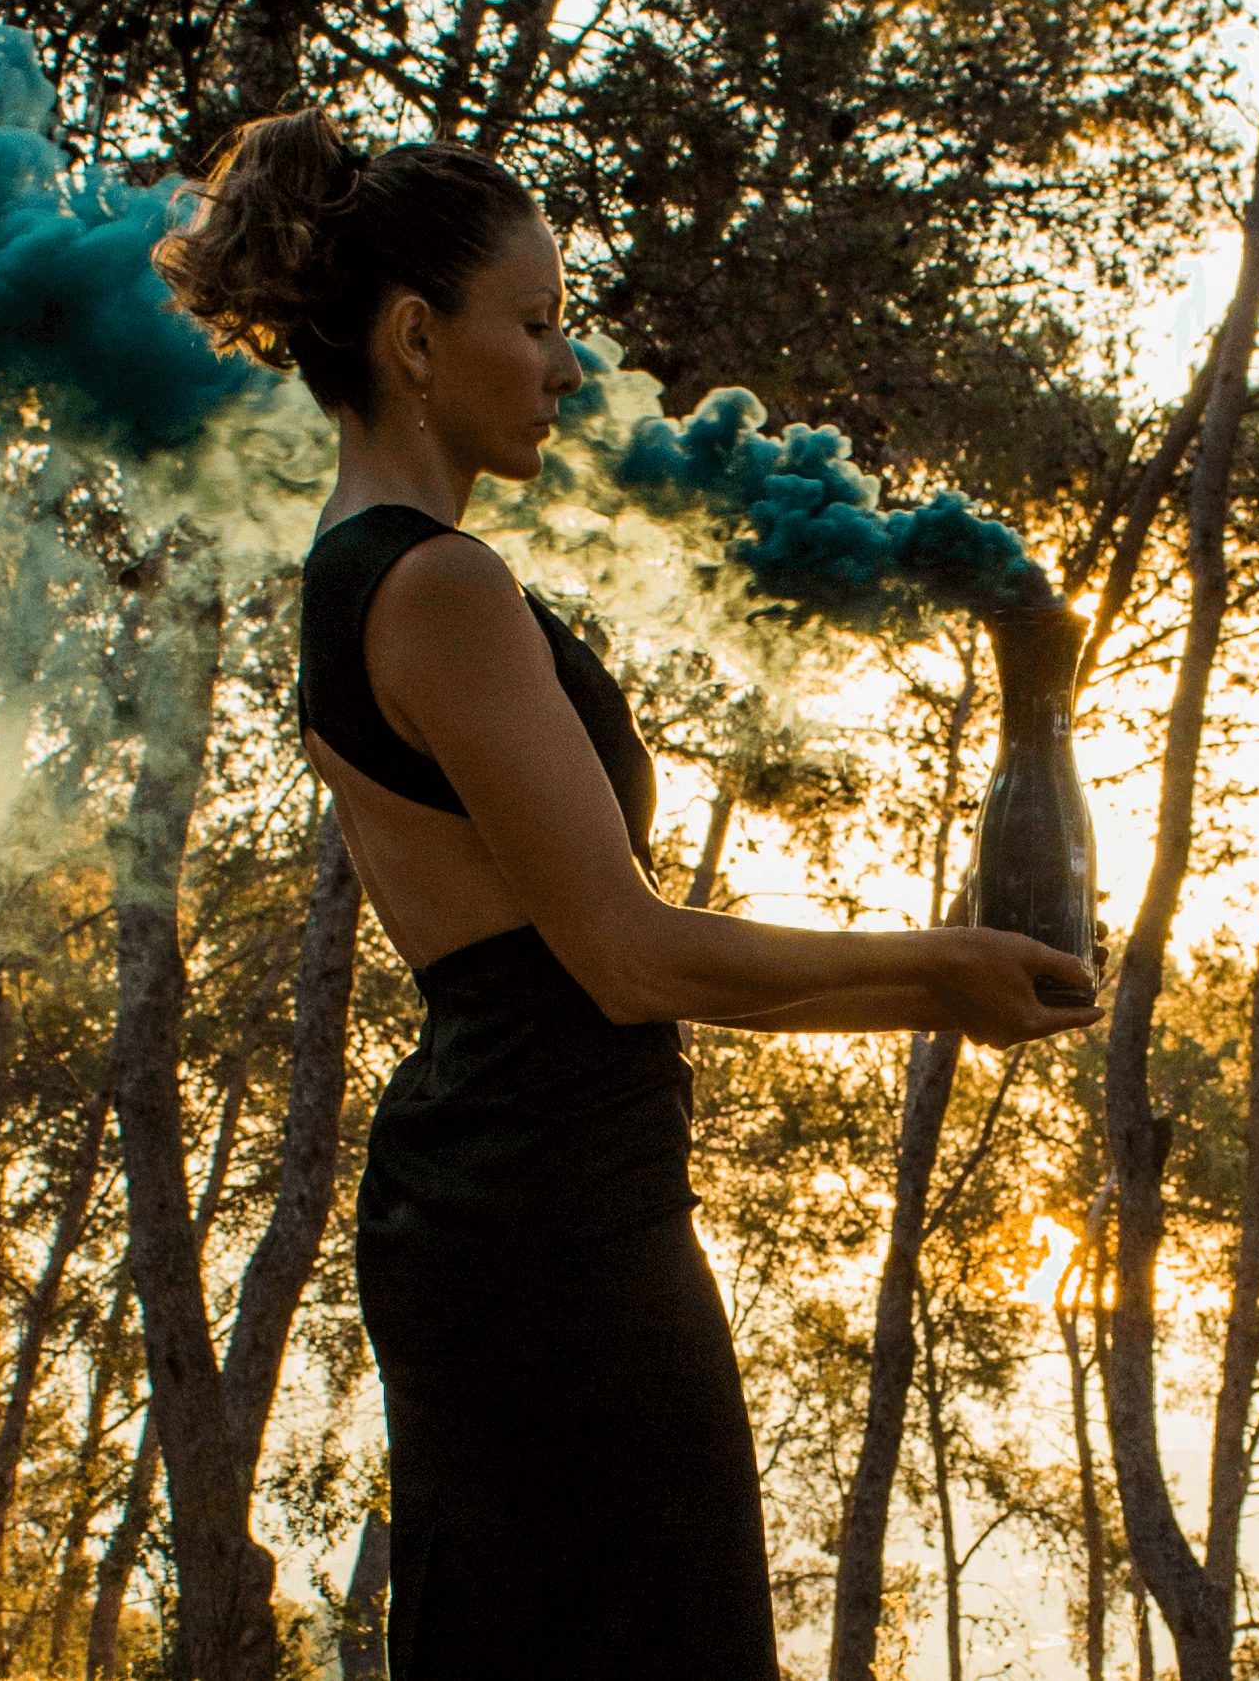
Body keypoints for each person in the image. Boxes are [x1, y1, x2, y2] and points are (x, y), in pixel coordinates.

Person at [154, 109, 1100, 1680]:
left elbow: (569, 960)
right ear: (411, 337)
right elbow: (627, 955)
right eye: (532, 323)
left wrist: (950, 993)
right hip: (546, 1215)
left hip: (512, 1176)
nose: (565, 368)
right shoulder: (434, 583)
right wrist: (938, 959)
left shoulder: (355, 572)